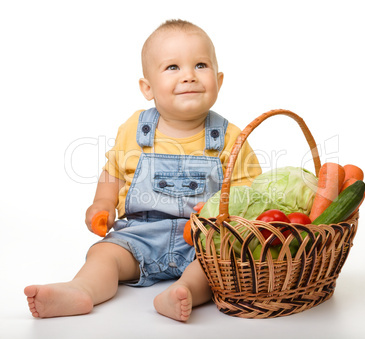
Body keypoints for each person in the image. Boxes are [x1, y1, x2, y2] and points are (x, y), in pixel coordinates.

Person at [24, 19, 262, 322]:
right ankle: (81, 289)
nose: (189, 76)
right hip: (139, 235)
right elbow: (113, 171)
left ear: (219, 79)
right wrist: (102, 204)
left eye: (200, 65)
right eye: (173, 67)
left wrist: (219, 222)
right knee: (104, 254)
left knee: (218, 266)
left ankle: (183, 292)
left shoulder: (230, 137)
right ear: (147, 88)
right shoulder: (136, 130)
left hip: (202, 240)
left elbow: (248, 194)